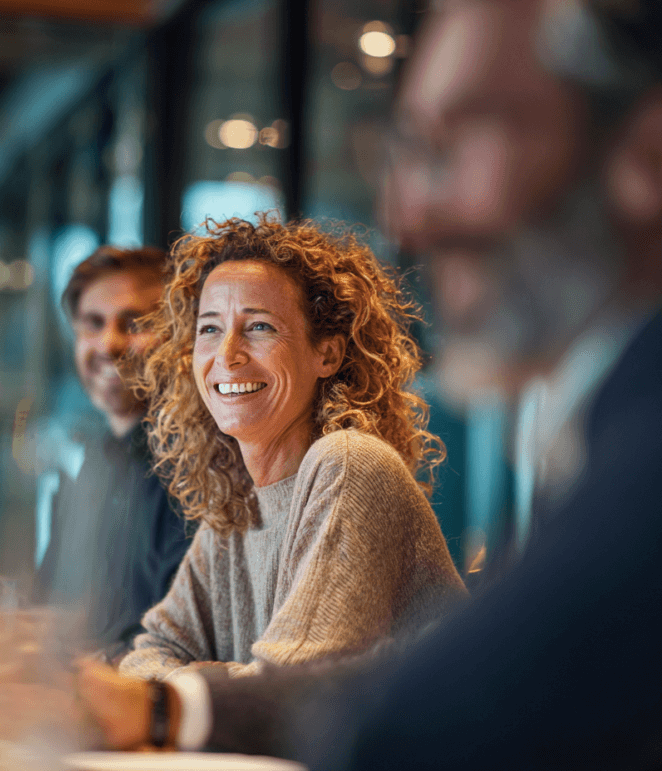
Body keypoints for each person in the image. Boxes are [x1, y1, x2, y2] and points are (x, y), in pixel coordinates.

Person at [81, 0, 662, 766]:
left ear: (647, 154)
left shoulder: (639, 429)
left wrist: (167, 697)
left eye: (463, 138)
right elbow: (158, 648)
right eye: (412, 150)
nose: (407, 209)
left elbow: (415, 705)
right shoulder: (600, 416)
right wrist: (166, 696)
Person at [112, 215, 466, 683]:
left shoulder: (349, 464)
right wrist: (202, 680)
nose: (228, 355)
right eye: (210, 329)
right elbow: (149, 654)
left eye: (259, 327)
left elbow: (292, 689)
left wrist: (201, 682)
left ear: (328, 355)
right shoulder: (234, 510)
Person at [34, 246, 192, 657]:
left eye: (134, 323)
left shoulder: (194, 467)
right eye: (93, 323)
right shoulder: (95, 463)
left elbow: (178, 642)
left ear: (181, 336)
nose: (109, 343)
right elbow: (46, 611)